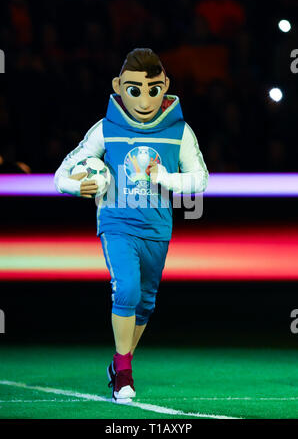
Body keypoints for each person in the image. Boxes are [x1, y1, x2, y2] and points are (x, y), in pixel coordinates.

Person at [54, 48, 209, 403]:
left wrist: (168, 179)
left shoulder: (179, 132)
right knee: (126, 290)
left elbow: (200, 179)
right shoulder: (105, 129)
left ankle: (119, 361)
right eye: (134, 89)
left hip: (157, 229)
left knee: (146, 304)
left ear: (165, 86)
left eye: (152, 89)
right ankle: (124, 373)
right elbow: (61, 175)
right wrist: (80, 185)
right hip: (117, 223)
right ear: (118, 86)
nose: (143, 98)